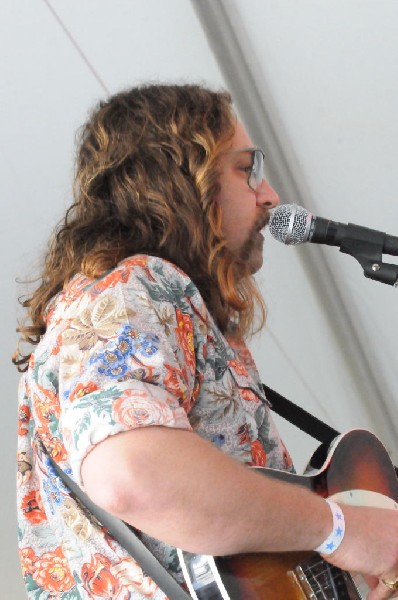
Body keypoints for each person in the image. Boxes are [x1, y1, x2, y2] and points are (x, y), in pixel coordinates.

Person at [14, 83, 398, 600]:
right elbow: (130, 473)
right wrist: (339, 529)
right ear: (178, 179)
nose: (270, 195)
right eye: (246, 169)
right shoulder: (132, 287)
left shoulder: (169, 306)